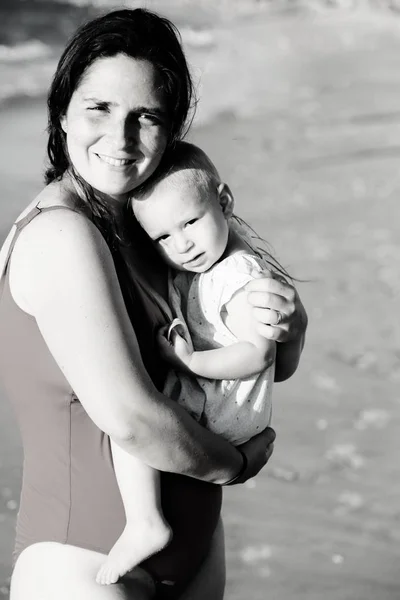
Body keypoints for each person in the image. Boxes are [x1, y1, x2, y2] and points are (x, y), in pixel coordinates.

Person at [0, 8, 308, 600]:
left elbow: (266, 358)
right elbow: (133, 421)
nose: (119, 139)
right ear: (61, 111)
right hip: (85, 564)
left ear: (172, 131)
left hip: (194, 552)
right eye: (99, 109)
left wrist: (288, 325)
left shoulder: (157, 225)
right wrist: (234, 466)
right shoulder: (60, 235)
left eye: (146, 117)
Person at [96, 141, 280, 586]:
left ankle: (145, 522)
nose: (181, 244)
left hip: (224, 415)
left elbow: (259, 352)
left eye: (191, 222)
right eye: (163, 237)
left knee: (127, 418)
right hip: (227, 412)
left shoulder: (239, 277)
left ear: (224, 201)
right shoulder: (206, 269)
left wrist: (192, 361)